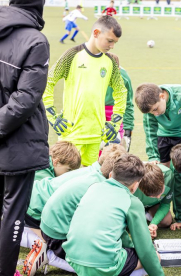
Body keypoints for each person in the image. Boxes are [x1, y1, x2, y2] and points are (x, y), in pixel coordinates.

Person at [0, 1, 49, 275]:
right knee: (12, 216)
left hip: (14, 138)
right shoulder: (35, 40)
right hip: (17, 141)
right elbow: (26, 100)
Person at [22, 145, 126, 275]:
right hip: (36, 208)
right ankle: (48, 252)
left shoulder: (90, 171)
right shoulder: (98, 182)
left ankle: (44, 245)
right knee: (84, 261)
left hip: (34, 202)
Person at [44, 15, 127, 167]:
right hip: (71, 133)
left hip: (96, 134)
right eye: (110, 40)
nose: (112, 46)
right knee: (63, 176)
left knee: (89, 177)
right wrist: (52, 116)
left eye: (115, 42)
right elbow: (48, 81)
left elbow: (121, 93)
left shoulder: (110, 62)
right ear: (96, 33)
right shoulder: (72, 55)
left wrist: (114, 124)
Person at [62, 154, 164, 276]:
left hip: (73, 258)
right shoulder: (132, 202)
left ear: (111, 175)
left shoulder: (93, 187)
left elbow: (121, 233)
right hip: (103, 265)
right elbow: (146, 250)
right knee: (155, 257)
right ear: (136, 185)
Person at [135, 83, 181, 168]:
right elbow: (150, 132)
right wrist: (153, 156)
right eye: (152, 112)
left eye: (156, 109)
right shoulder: (150, 108)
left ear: (162, 96)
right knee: (163, 166)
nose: (155, 114)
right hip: (163, 135)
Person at [133, 163, 174, 238]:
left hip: (153, 205)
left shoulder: (169, 175)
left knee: (166, 221)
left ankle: (146, 215)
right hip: (134, 205)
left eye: (161, 192)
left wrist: (153, 224)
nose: (159, 197)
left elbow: (165, 204)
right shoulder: (130, 181)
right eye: (152, 196)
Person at [104, 56, 135, 152]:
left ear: (118, 69)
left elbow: (128, 103)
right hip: (95, 112)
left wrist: (128, 128)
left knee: (116, 154)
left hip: (116, 113)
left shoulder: (123, 77)